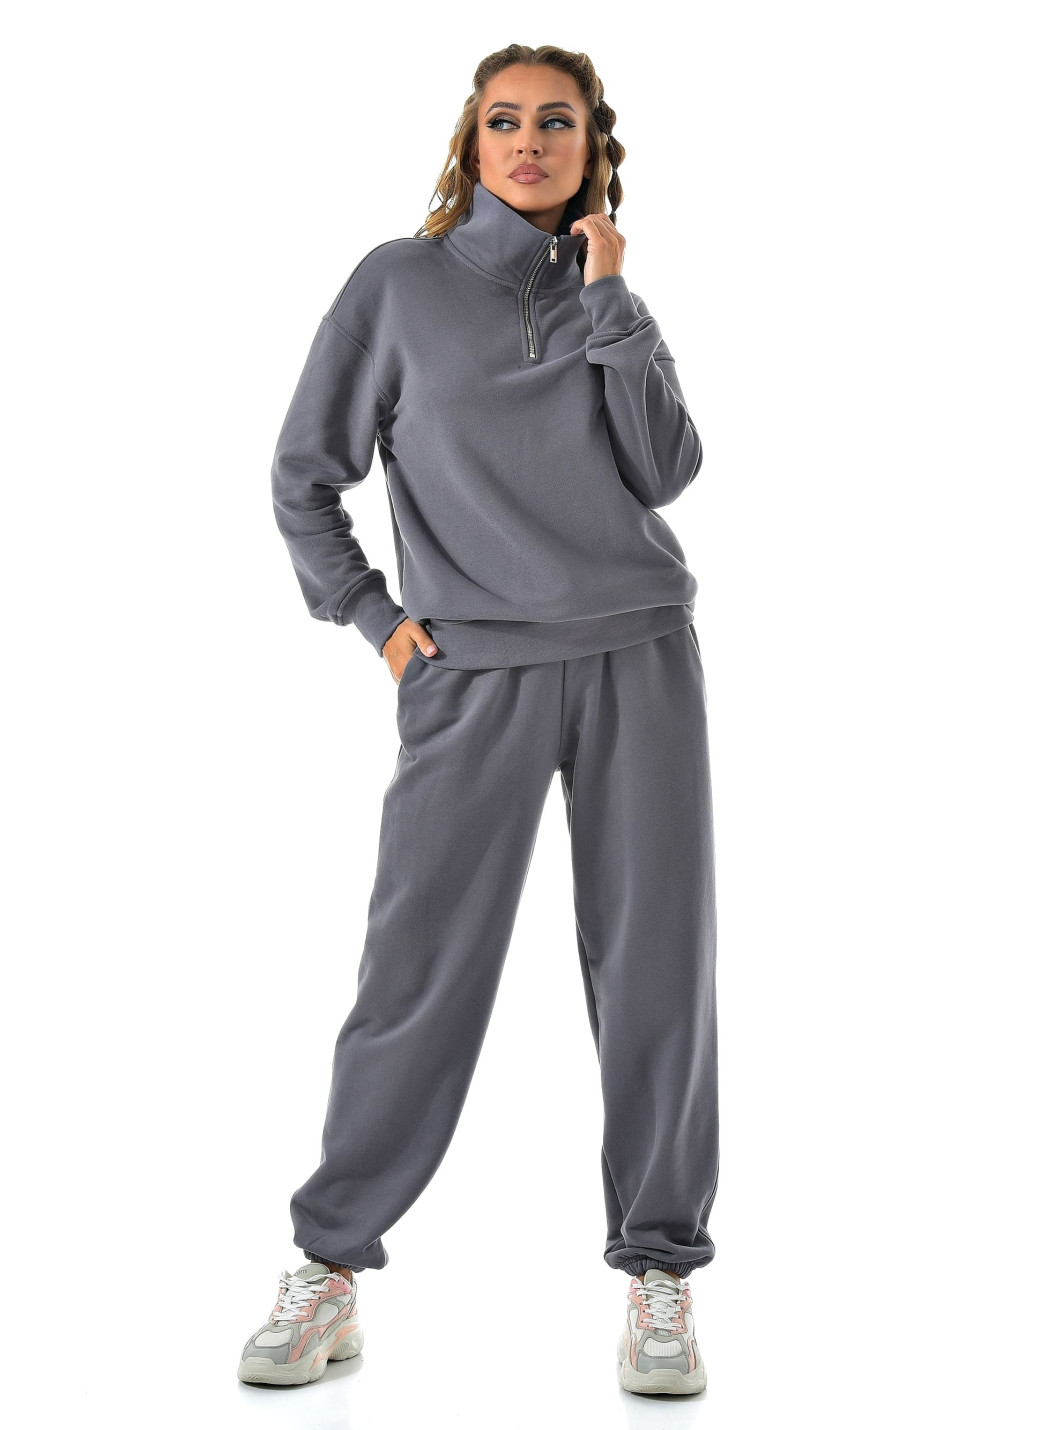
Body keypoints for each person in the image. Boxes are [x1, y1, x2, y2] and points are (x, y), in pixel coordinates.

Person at [238, 44, 718, 1397]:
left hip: (640, 656)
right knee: (419, 971)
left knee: (659, 969)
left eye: (556, 122)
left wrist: (610, 295)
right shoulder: (396, 284)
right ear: (471, 140)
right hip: (471, 672)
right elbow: (302, 477)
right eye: (505, 119)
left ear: (592, 148)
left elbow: (667, 469)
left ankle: (662, 1271)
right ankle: (330, 1263)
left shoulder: (611, 298)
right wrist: (376, 619)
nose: (529, 141)